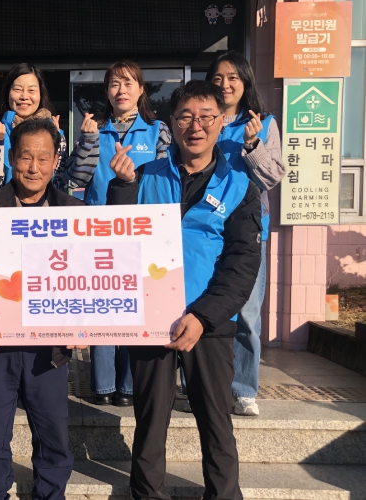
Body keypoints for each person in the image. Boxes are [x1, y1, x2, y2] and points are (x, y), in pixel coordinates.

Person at [107, 80, 261, 500]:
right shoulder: (144, 176)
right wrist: (122, 187)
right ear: (171, 123)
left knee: (216, 422)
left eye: (206, 116)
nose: (196, 126)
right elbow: (117, 242)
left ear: (222, 121)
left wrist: (203, 316)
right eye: (186, 117)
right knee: (150, 420)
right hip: (152, 319)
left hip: (210, 323)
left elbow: (242, 264)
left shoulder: (239, 187)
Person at [0, 118, 85, 500]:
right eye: (25, 157)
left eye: (43, 158)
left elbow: (86, 274)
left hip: (49, 350)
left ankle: (50, 495)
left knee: (53, 435)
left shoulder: (73, 210)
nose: (33, 167)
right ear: (11, 158)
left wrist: (86, 324)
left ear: (56, 161)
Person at [61, 60, 171, 406]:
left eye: (128, 83)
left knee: (134, 308)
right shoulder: (95, 129)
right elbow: (75, 179)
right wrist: (88, 141)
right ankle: (104, 385)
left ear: (141, 89)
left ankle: (128, 386)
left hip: (141, 232)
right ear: (107, 93)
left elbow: (166, 180)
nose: (120, 91)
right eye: (114, 84)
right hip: (99, 233)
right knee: (103, 307)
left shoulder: (157, 130)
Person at [207, 50, 285, 417]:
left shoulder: (263, 123)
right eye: (218, 78)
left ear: (245, 81)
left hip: (249, 230)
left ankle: (242, 390)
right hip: (206, 228)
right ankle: (199, 385)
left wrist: (253, 146)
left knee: (248, 314)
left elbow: (273, 176)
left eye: (232, 77)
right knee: (202, 305)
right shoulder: (203, 119)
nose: (224, 84)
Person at [0, 63, 68, 191]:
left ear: (40, 94)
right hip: (6, 203)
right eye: (17, 89)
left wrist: (54, 140)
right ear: (8, 93)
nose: (24, 97)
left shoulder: (56, 132)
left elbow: (58, 184)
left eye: (31, 90)